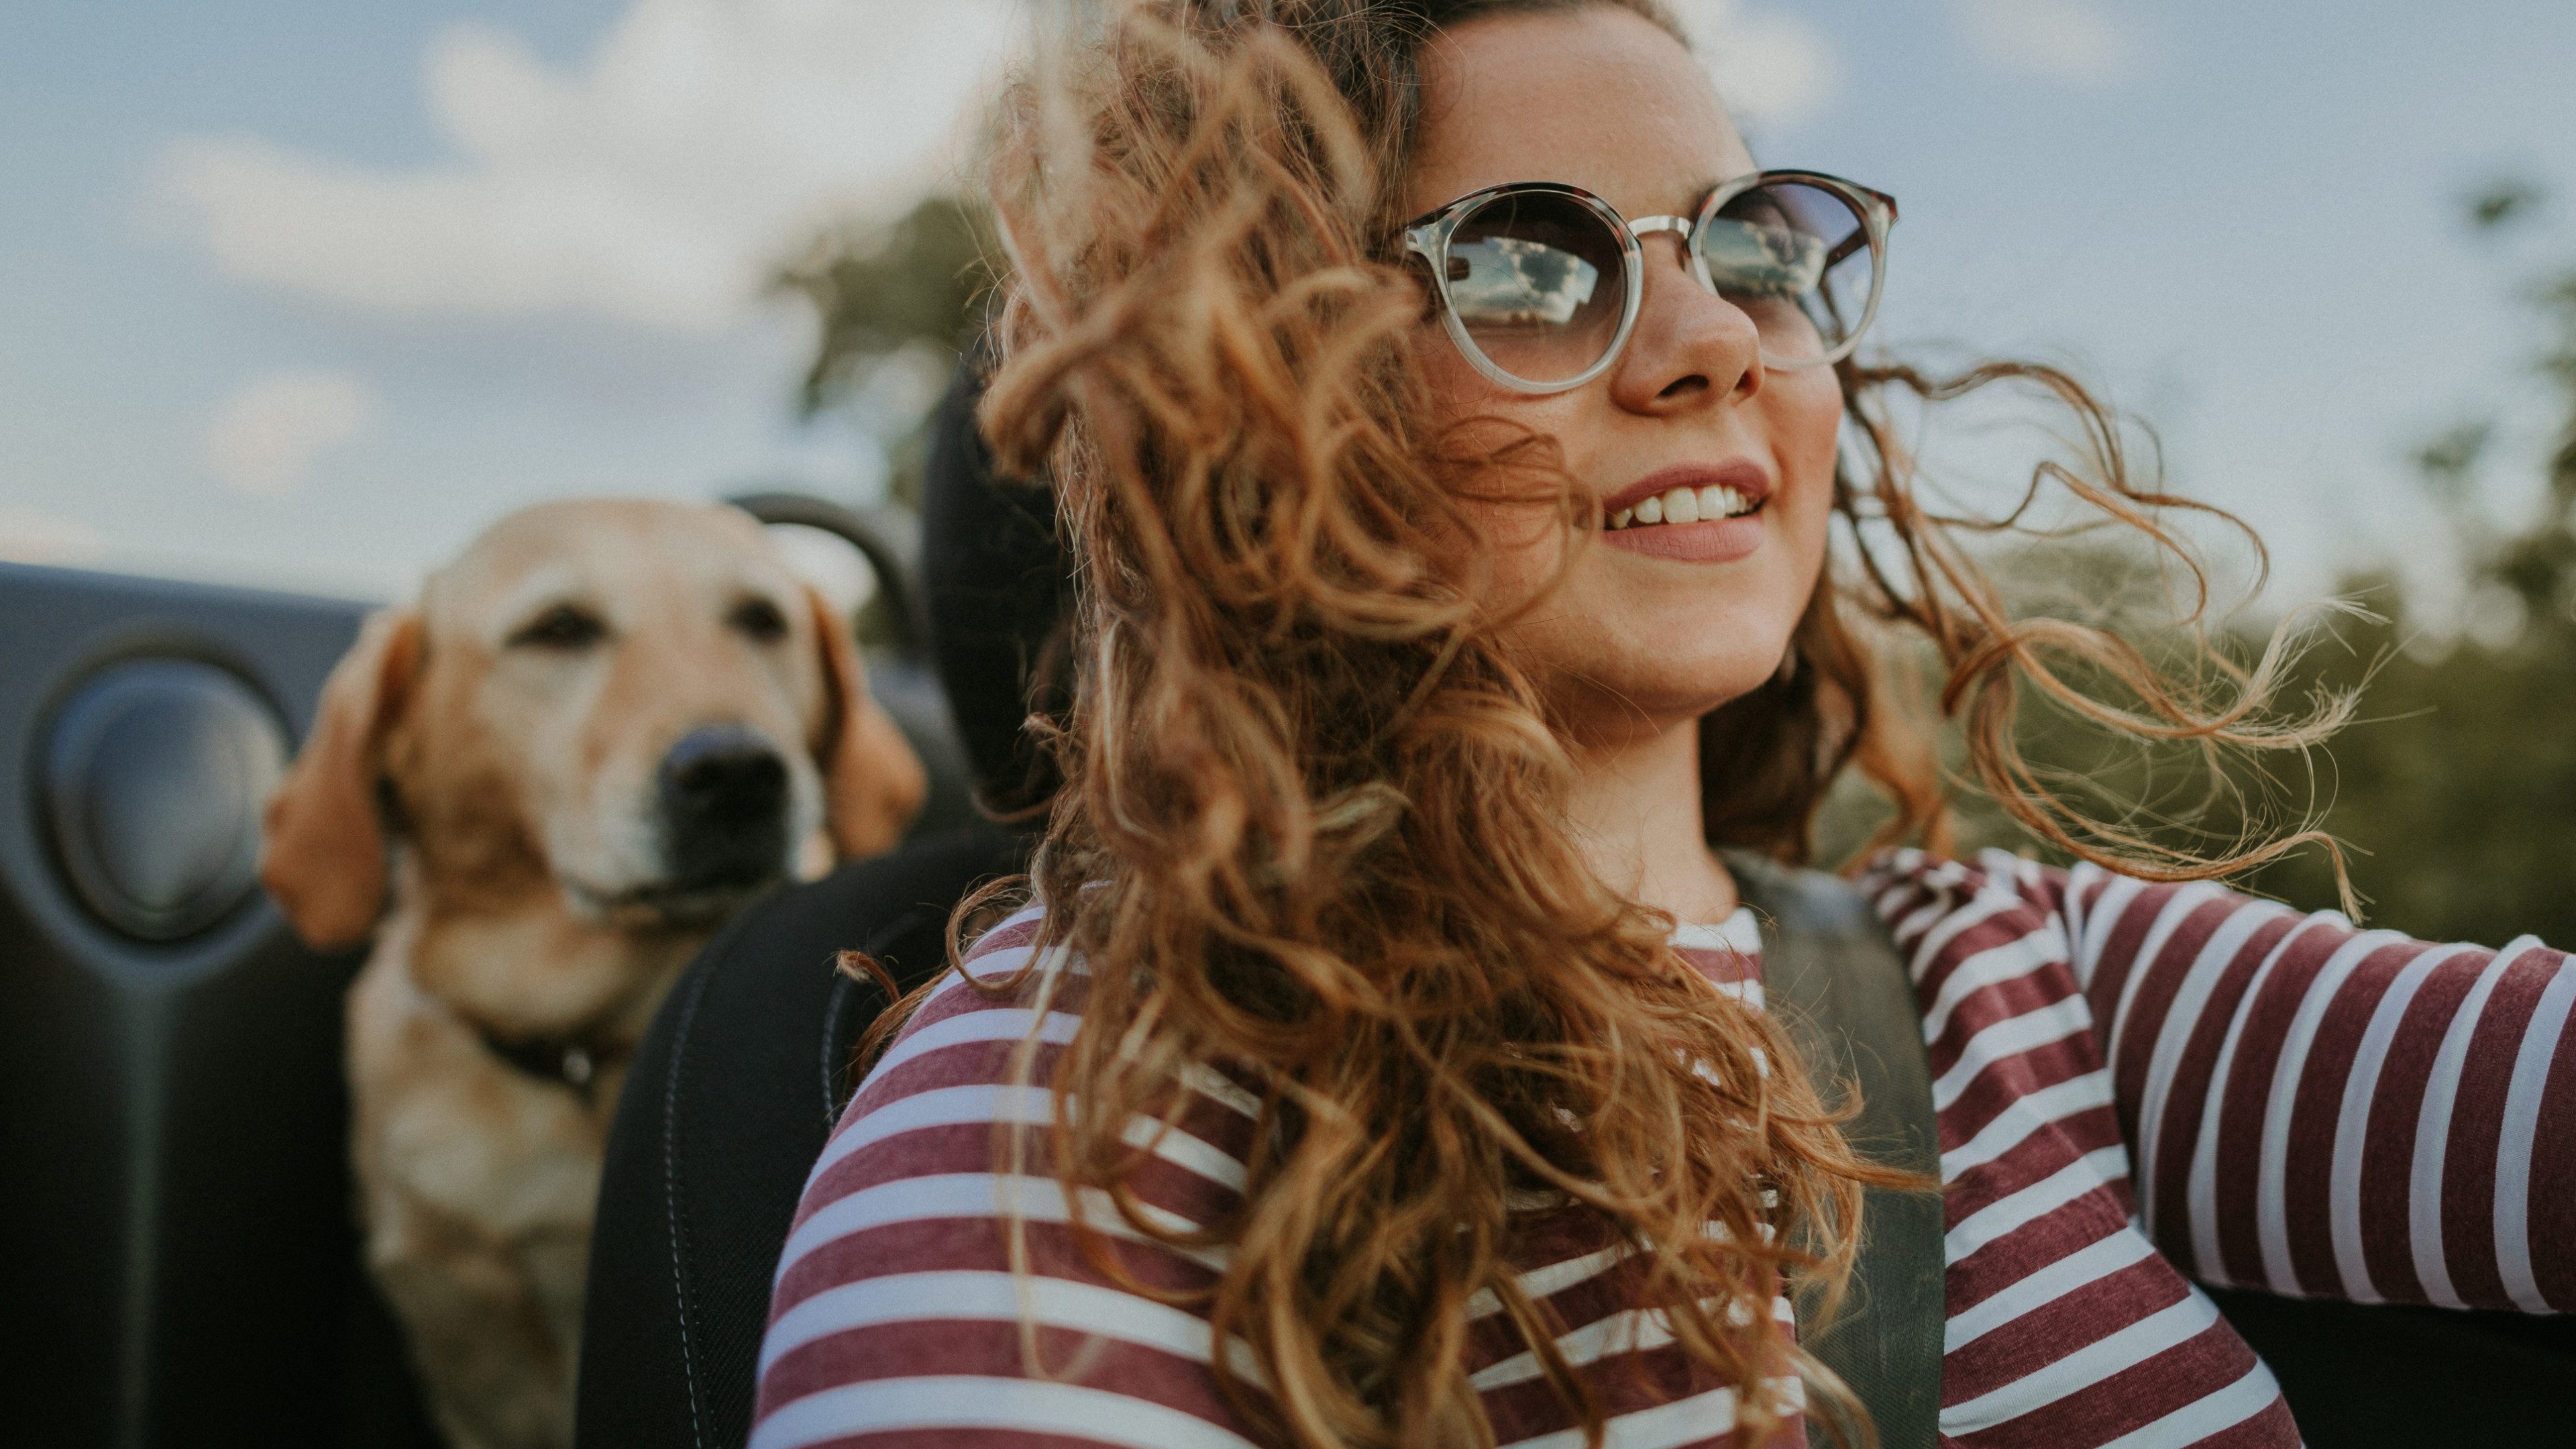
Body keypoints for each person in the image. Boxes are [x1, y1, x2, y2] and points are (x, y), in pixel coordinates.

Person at [745, 3, 2576, 1446]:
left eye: (1750, 241)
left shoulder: (2033, 982)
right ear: (1262, 403)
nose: (1713, 337)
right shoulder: (1065, 1111)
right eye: (1528, 258)